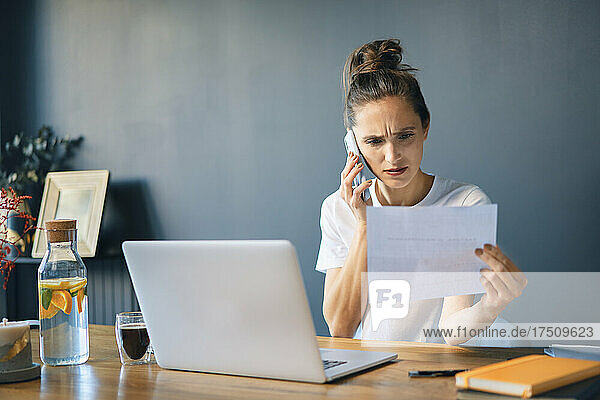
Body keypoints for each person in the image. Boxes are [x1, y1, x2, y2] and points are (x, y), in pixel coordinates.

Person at [315, 39, 527, 344]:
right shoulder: (337, 209)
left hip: (436, 371)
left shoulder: (464, 204)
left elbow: (452, 331)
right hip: (372, 375)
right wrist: (365, 226)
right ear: (353, 145)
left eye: (405, 136)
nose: (392, 156)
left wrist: (492, 306)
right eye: (374, 141)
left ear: (425, 126)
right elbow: (340, 328)